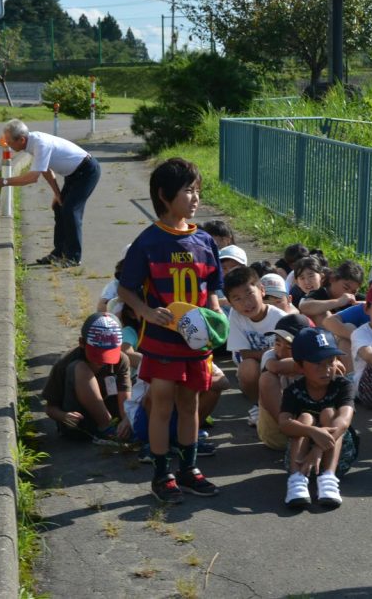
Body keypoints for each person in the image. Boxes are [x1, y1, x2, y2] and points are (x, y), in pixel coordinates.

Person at [117, 157, 224, 504]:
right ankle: (162, 474)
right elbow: (125, 289)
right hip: (162, 341)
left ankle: (188, 469)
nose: (195, 198)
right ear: (164, 195)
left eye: (197, 191)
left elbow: (212, 293)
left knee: (190, 404)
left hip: (196, 344)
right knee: (161, 404)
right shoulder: (148, 243)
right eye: (188, 191)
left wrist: (216, 323)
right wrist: (146, 311)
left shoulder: (206, 241)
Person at [0, 119, 101, 267]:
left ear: (22, 139)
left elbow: (32, 178)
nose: (8, 146)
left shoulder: (40, 144)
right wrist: (57, 194)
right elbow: (45, 169)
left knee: (70, 210)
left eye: (9, 142)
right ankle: (59, 252)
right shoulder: (32, 143)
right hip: (74, 174)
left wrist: (4, 182)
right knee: (59, 207)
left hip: (87, 171)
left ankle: (73, 257)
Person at [279, 327, 359, 509]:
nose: (327, 369)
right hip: (300, 459)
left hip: (340, 457)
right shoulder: (293, 391)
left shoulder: (343, 385)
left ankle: (328, 478)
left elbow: (344, 421)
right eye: (318, 363)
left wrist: (318, 449)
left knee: (329, 413)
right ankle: (297, 479)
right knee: (305, 418)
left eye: (331, 361)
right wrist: (312, 431)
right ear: (300, 366)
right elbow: (283, 423)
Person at [42, 312, 131, 443]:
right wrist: (63, 416)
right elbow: (50, 408)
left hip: (115, 421)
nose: (102, 361)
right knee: (79, 368)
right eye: (97, 354)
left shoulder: (121, 360)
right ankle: (106, 427)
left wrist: (127, 420)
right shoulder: (64, 363)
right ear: (82, 343)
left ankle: (114, 429)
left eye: (108, 354)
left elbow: (125, 397)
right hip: (81, 425)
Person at [224, 266, 286, 427]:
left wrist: (268, 357)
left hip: (279, 370)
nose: (246, 303)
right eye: (237, 299)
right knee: (247, 367)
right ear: (230, 303)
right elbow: (244, 354)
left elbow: (288, 354)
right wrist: (269, 354)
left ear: (262, 290)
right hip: (256, 368)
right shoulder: (236, 316)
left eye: (249, 294)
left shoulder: (281, 319)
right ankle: (259, 405)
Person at [257, 313, 312, 450]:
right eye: (277, 343)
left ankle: (308, 440)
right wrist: (304, 366)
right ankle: (291, 432)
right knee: (267, 378)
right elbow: (275, 366)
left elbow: (339, 368)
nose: (280, 351)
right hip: (278, 433)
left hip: (311, 424)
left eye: (289, 346)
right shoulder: (270, 355)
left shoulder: (314, 355)